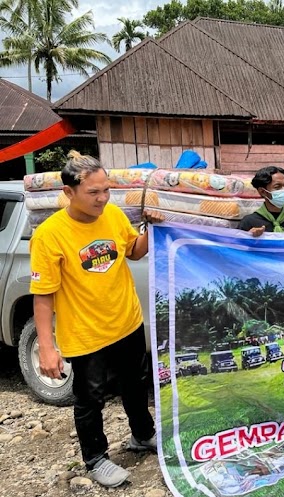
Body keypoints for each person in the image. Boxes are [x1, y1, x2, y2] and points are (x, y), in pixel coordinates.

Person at [30, 151, 161, 488]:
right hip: (86, 333)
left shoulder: (114, 214)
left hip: (127, 321)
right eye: (93, 192)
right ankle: (95, 458)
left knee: (135, 384)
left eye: (106, 190)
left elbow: (133, 250)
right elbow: (43, 295)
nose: (102, 199)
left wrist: (155, 229)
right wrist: (47, 348)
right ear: (68, 192)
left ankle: (143, 435)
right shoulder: (50, 235)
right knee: (90, 398)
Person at [238, 166, 284, 235]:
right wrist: (248, 237)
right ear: (262, 192)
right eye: (277, 187)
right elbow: (237, 244)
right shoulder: (249, 222)